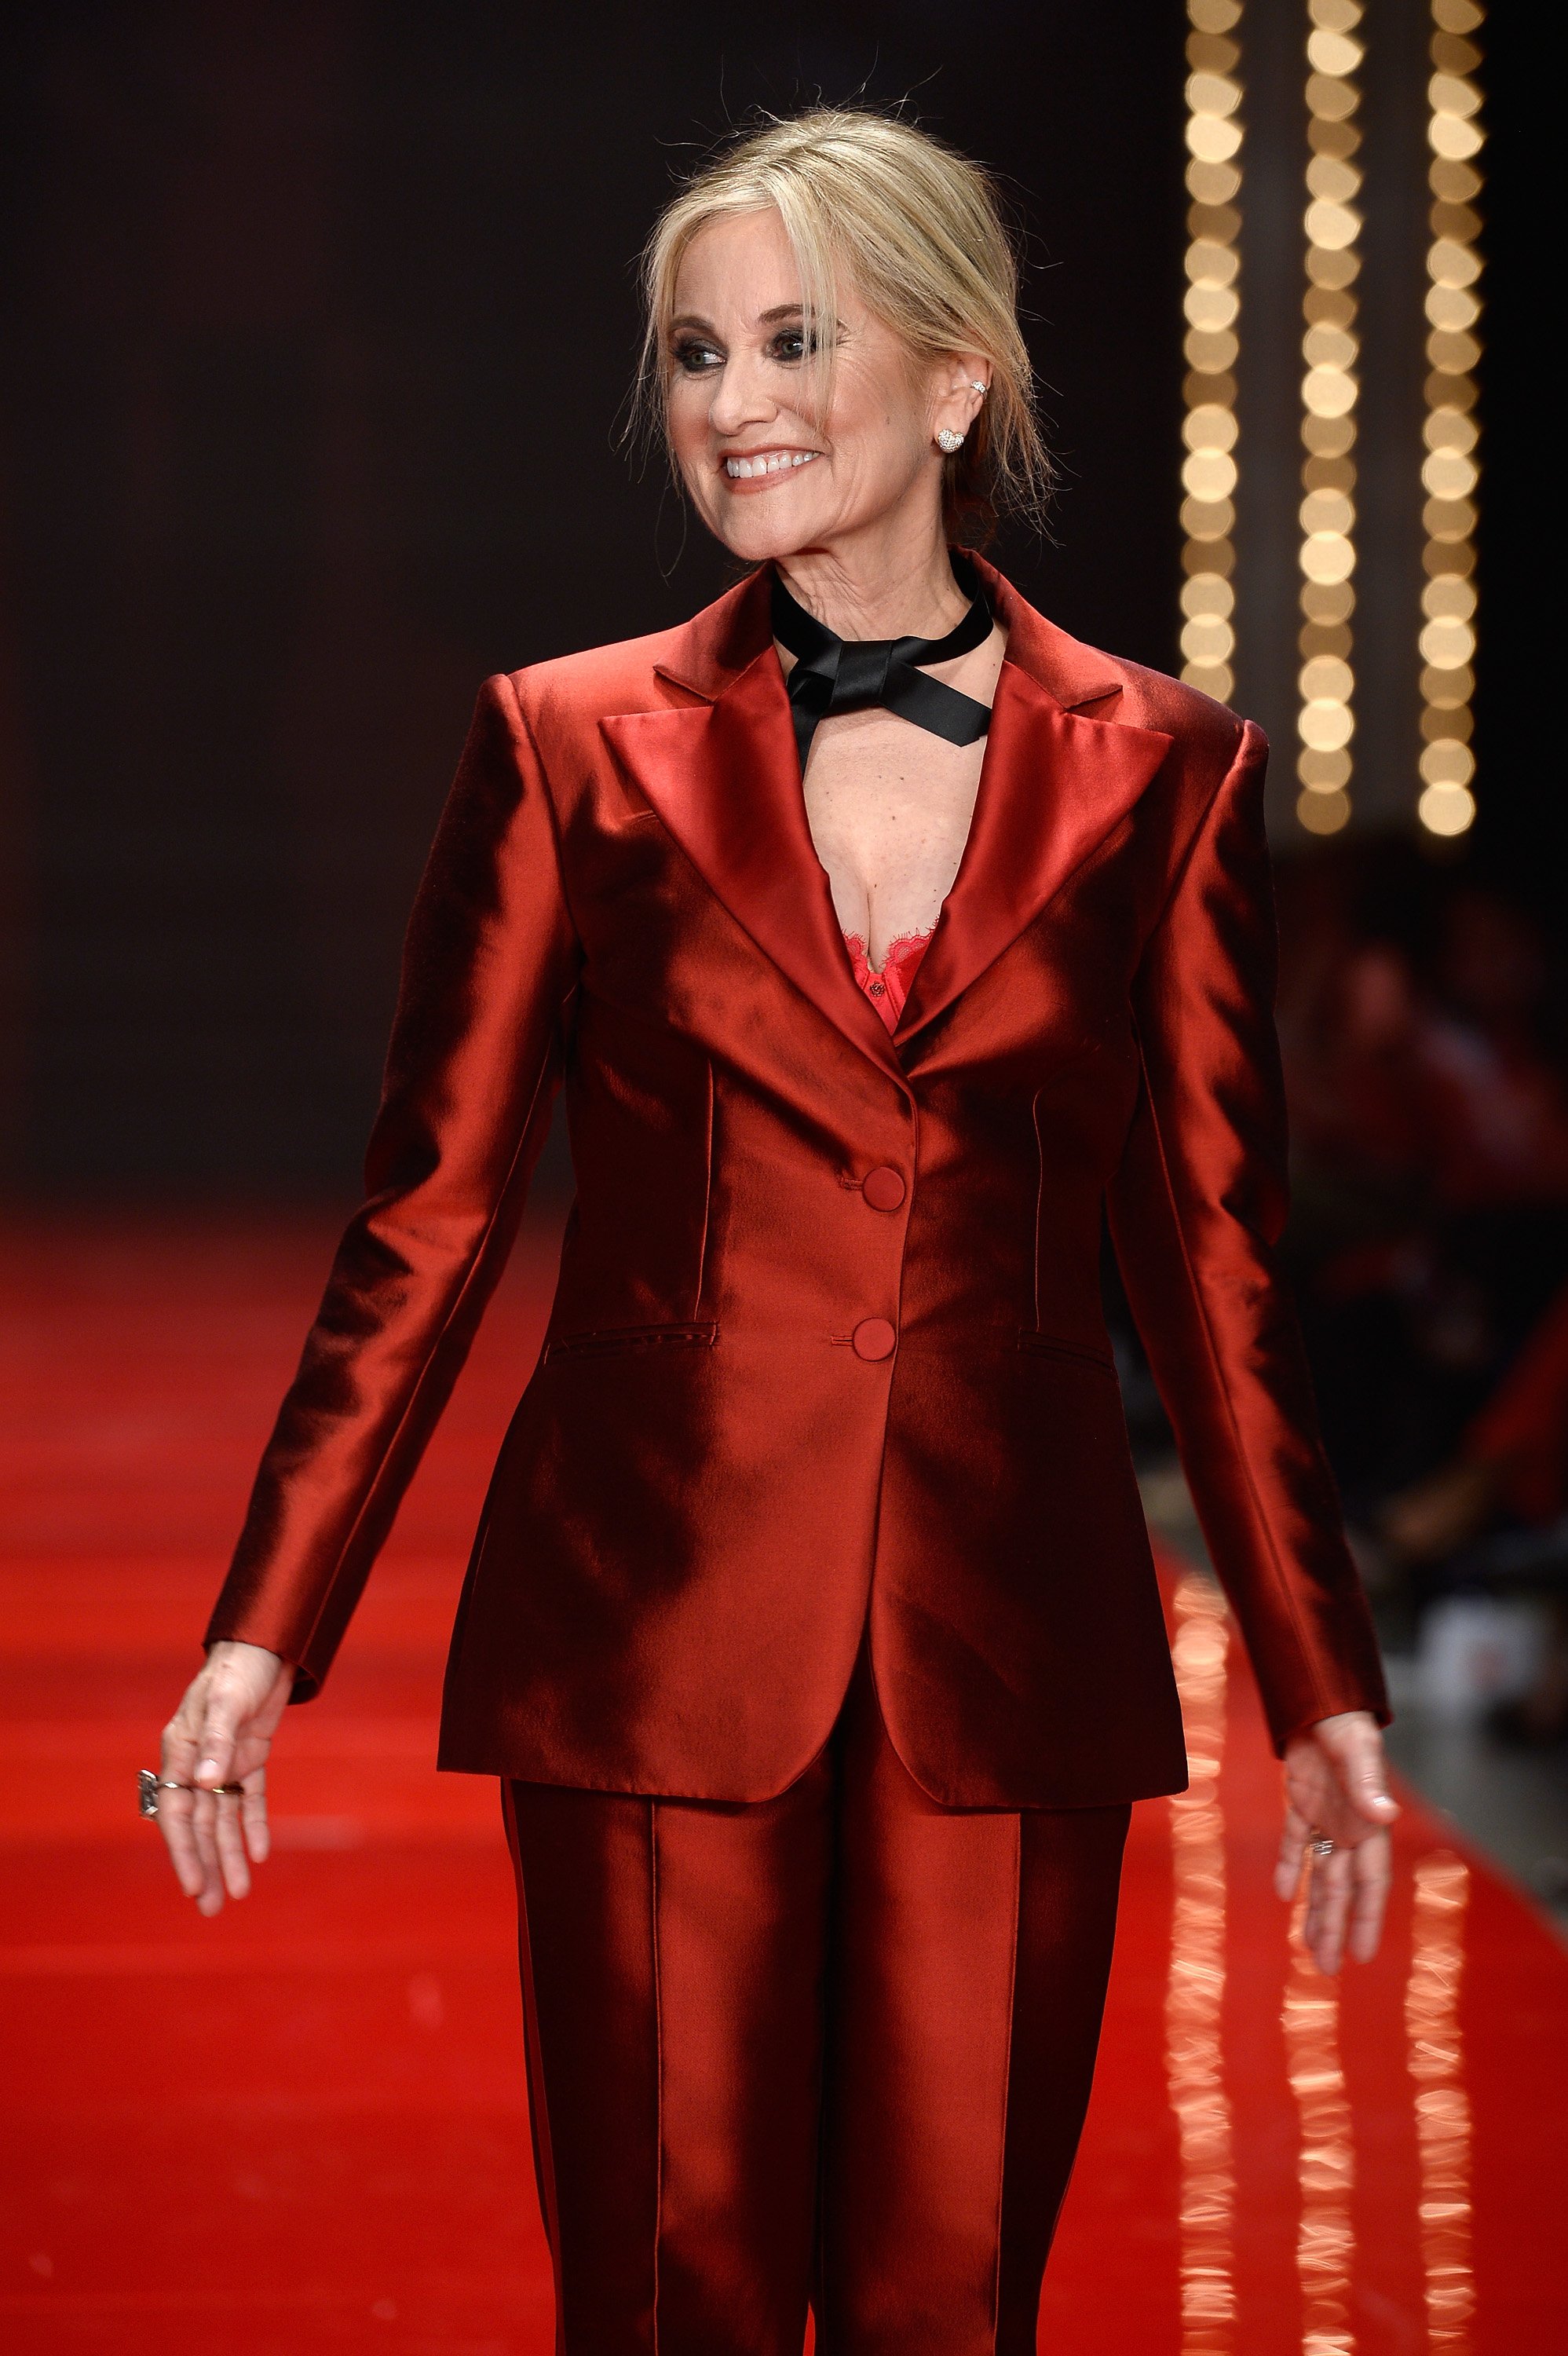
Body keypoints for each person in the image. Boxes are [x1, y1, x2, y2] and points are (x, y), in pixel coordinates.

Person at [146, 108, 1396, 2354]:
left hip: (1011, 1652)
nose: (732, 403)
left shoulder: (1166, 771)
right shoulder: (568, 744)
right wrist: (264, 1634)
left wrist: (1320, 1686)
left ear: (954, 381)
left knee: (948, 2311)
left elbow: (1217, 1268)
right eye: (698, 352)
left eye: (794, 338)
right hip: (644, 1628)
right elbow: (423, 1223)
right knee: (669, 2301)